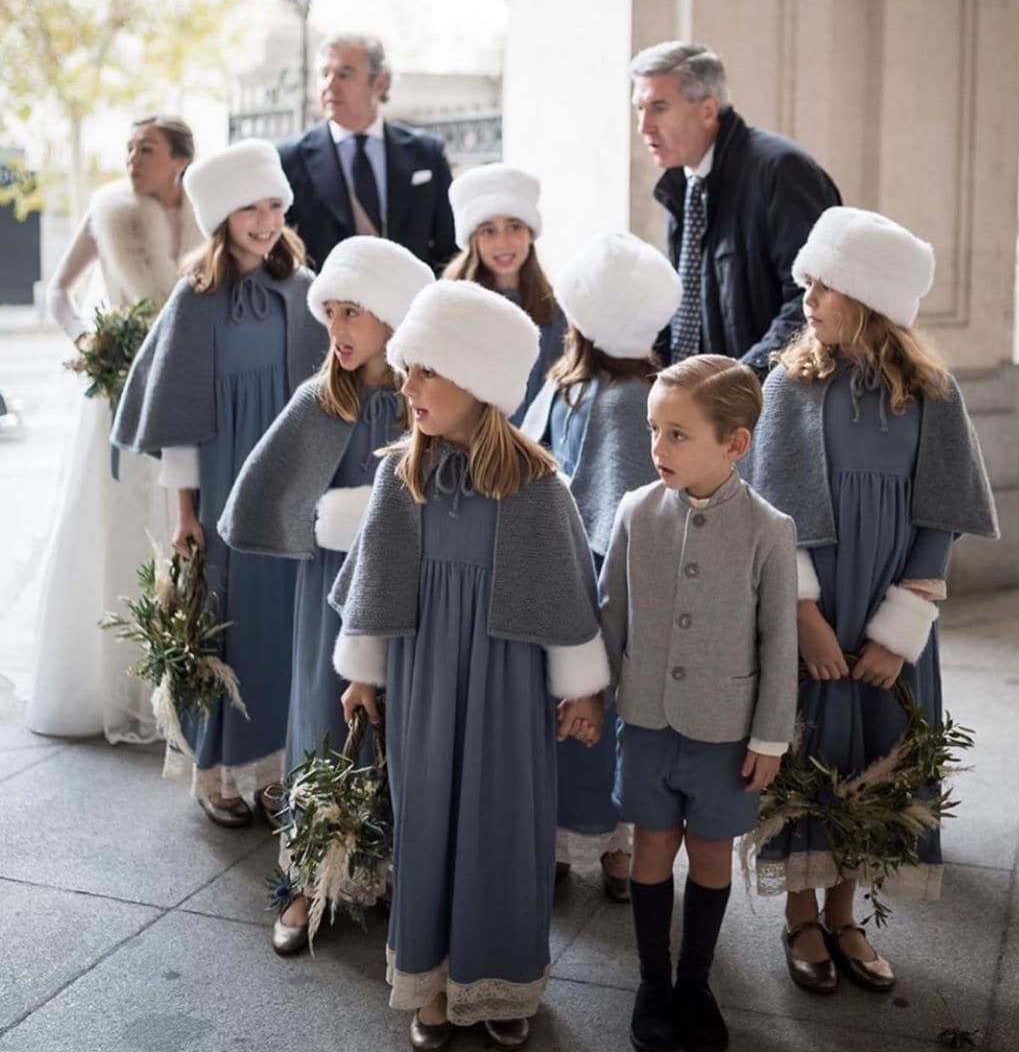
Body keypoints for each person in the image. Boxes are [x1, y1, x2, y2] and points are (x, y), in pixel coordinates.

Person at [330, 280, 609, 1049]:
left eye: (427, 372)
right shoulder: (401, 477)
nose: (408, 386)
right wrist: (363, 671)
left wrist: (580, 691)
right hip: (425, 682)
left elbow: (565, 598)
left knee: (503, 822)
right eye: (409, 369)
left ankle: (500, 980)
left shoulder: (536, 488)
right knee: (427, 819)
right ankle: (432, 975)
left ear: (482, 386)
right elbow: (376, 588)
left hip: (505, 688)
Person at [741, 207, 998, 994]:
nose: (808, 296)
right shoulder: (792, 384)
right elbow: (774, 511)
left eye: (826, 285)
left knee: (871, 758)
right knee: (810, 746)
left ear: (874, 301)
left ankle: (845, 915)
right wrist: (804, 616)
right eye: (810, 282)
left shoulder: (930, 393)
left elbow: (941, 516)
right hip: (817, 609)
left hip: (887, 610)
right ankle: (800, 918)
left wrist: (900, 630)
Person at [217, 236, 433, 952]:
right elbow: (269, 486)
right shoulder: (322, 397)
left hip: (409, 594)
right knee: (321, 712)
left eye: (355, 313)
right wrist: (324, 518)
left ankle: (404, 867)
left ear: (396, 319)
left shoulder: (425, 398)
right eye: (331, 312)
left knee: (405, 719)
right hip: (331, 591)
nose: (337, 329)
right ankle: (311, 877)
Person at [111, 139, 326, 826]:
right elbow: (178, 417)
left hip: (288, 488)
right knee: (231, 629)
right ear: (221, 218)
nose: (265, 221)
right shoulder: (196, 300)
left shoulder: (303, 291)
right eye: (248, 210)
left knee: (285, 627)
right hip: (224, 484)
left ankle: (274, 766)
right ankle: (222, 774)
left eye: (273, 205)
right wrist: (185, 512)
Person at [600, 355, 798, 1052]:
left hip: (726, 728)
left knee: (711, 851)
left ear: (734, 443)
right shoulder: (634, 512)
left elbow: (780, 643)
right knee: (652, 843)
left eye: (678, 434)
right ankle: (653, 981)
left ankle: (696, 981)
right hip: (647, 719)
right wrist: (594, 697)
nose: (657, 449)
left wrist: (770, 739)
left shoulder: (770, 530)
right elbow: (611, 615)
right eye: (654, 430)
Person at [27, 115, 201, 743]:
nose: (133, 158)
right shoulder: (108, 210)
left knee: (178, 523)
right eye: (128, 147)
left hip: (186, 394)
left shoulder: (207, 215)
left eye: (146, 149)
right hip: (119, 393)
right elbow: (59, 294)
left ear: (179, 159)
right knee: (115, 521)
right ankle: (110, 684)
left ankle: (181, 677)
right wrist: (92, 345)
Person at [521, 232, 681, 900]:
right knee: (611, 715)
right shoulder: (625, 390)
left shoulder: (597, 394)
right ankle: (607, 845)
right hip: (608, 575)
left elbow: (603, 498)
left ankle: (586, 841)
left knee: (585, 712)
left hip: (593, 574)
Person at [629, 41, 841, 375]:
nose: (644, 127)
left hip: (765, 400)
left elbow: (812, 302)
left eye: (659, 107)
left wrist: (739, 382)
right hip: (704, 408)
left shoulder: (781, 172)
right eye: (639, 109)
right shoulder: (681, 184)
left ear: (708, 111)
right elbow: (685, 307)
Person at [278, 32, 456, 272]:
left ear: (380, 82)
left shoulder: (426, 154)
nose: (330, 85)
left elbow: (449, 249)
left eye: (344, 74)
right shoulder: (291, 159)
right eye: (324, 74)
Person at [444, 163, 565, 424]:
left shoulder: (554, 311)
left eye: (514, 227)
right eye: (489, 231)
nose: (504, 242)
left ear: (530, 233)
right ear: (473, 240)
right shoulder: (449, 307)